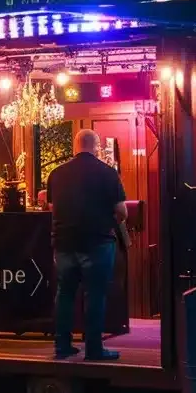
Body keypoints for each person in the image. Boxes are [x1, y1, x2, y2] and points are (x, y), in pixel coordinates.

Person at [45, 129, 126, 362]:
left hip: (63, 242)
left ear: (75, 145)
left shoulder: (56, 173)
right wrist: (109, 221)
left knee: (65, 294)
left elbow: (51, 207)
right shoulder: (108, 173)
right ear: (97, 146)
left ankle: (62, 347)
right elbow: (122, 211)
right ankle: (93, 349)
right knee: (95, 295)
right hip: (97, 241)